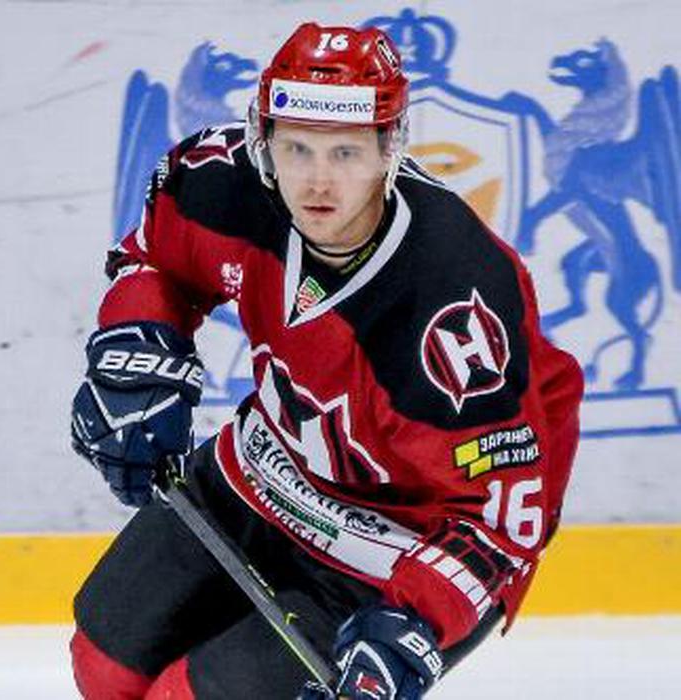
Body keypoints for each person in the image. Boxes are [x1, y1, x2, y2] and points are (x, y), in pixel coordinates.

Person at [70, 21, 584, 700]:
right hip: (264, 470)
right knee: (103, 664)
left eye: (345, 152)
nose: (317, 181)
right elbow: (155, 257)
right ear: (263, 139)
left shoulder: (452, 300)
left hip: (391, 546)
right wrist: (138, 344)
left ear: (389, 147)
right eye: (297, 148)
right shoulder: (221, 181)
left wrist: (414, 621)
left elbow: (502, 521)